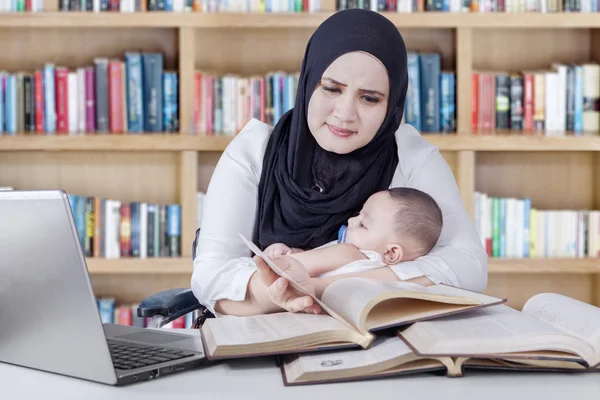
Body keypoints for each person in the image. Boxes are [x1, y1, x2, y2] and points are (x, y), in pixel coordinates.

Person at [191, 8, 488, 318]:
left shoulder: (411, 156)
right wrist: (285, 293)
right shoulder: (253, 150)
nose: (345, 113)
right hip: (260, 343)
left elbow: (469, 267)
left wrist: (325, 287)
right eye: (331, 89)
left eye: (370, 98)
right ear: (308, 83)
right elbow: (210, 276)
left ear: (393, 105)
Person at [263, 187, 444, 279]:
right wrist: (293, 252)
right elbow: (315, 263)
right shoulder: (378, 266)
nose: (351, 221)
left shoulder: (349, 252)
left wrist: (283, 257)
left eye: (363, 224)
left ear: (391, 253)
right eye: (359, 214)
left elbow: (290, 268)